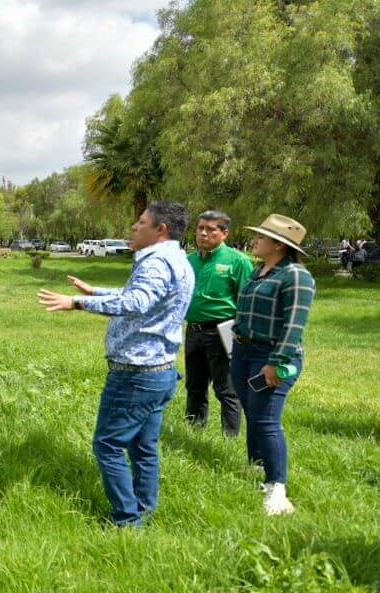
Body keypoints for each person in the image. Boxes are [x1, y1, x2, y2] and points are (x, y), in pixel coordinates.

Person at [38, 201, 195, 527]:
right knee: (144, 447)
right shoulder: (177, 259)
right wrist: (94, 289)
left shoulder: (155, 262)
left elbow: (136, 301)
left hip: (135, 374)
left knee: (108, 446)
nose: (134, 227)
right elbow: (143, 294)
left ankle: (127, 521)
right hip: (160, 371)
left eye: (141, 222)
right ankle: (144, 511)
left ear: (160, 229)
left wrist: (77, 302)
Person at [231, 214, 315, 516]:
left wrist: (276, 364)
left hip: (271, 357)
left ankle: (277, 489)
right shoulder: (258, 271)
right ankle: (257, 469)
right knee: (252, 413)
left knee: (266, 420)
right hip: (242, 353)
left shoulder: (296, 276)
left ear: (279, 244)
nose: (254, 240)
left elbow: (294, 326)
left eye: (261, 237)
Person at [183, 211, 252, 437]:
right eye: (200, 228)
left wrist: (241, 335)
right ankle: (193, 431)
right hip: (193, 330)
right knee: (194, 386)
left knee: (226, 389)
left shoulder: (238, 261)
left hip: (222, 331)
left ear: (224, 233)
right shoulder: (188, 261)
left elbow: (247, 301)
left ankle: (229, 437)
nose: (203, 233)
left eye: (211, 229)